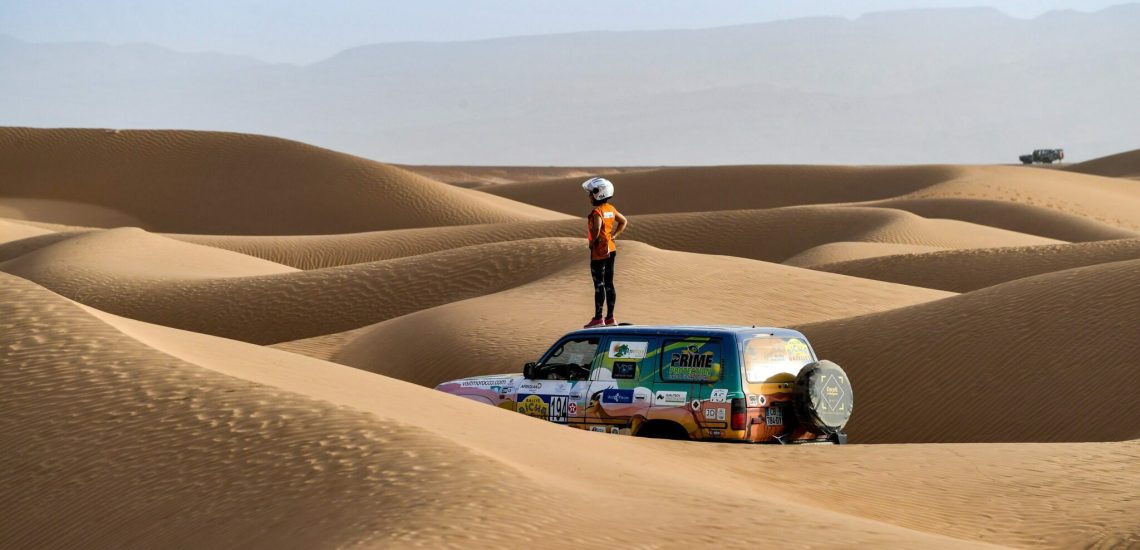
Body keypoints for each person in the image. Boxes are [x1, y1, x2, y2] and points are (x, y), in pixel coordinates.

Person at [581, 177, 628, 328]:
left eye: (590, 194)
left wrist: (592, 242)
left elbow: (596, 229)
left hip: (599, 252)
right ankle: (610, 318)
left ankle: (598, 318)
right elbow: (623, 221)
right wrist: (614, 235)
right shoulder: (610, 209)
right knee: (609, 283)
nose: (589, 197)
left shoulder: (597, 212)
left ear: (598, 193)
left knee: (599, 284)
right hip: (611, 249)